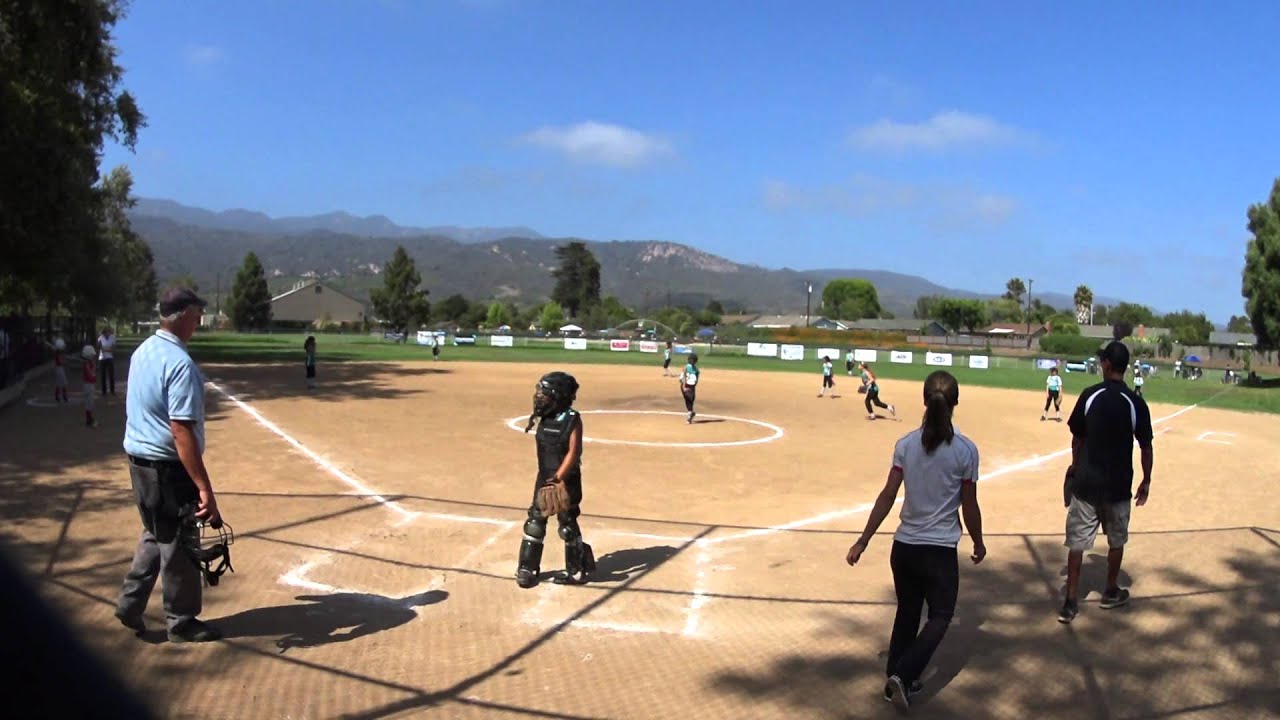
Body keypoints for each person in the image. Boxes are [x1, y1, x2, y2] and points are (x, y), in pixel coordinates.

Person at [846, 370, 985, 711]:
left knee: (908, 612)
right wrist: (978, 542)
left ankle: (895, 678)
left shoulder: (906, 445)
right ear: (955, 403)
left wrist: (863, 540)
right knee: (940, 615)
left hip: (904, 547)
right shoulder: (966, 451)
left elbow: (887, 495)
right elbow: (969, 504)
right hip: (938, 551)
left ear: (924, 400)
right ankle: (903, 675)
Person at [116, 287, 224, 643]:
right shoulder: (180, 365)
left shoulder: (144, 350)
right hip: (167, 469)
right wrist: (204, 487)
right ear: (182, 317)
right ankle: (181, 622)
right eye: (196, 315)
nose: (199, 321)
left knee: (155, 531)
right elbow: (181, 431)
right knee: (179, 543)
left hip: (139, 464)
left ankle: (131, 604)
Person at [1058, 341, 1153, 624]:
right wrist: (1146, 480)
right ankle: (1110, 591)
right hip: (1118, 487)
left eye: (1103, 361)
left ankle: (1070, 601)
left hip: (1086, 485)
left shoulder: (1090, 395)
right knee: (1116, 541)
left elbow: (1078, 437)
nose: (1101, 364)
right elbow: (1145, 446)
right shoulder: (1135, 403)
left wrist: (1075, 466)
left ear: (1108, 365)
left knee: (1077, 543)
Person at [515, 371, 595, 588]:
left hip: (565, 480)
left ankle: (577, 569)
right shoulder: (545, 415)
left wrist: (558, 477)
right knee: (535, 522)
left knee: (567, 524)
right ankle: (527, 568)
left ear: (558, 395)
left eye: (545, 392)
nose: (539, 396)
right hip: (544, 477)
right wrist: (548, 479)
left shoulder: (571, 419)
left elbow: (574, 452)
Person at [680, 352, 701, 423]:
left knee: (691, 400)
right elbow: (683, 377)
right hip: (684, 385)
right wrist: (684, 386)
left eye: (693, 360)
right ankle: (690, 413)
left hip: (691, 386)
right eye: (690, 359)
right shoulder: (686, 367)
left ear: (695, 361)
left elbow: (696, 380)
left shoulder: (697, 370)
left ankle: (690, 412)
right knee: (687, 399)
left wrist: (692, 388)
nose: (691, 361)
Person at [97, 326, 117, 396]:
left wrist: (106, 349)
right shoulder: (100, 338)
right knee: (103, 375)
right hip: (102, 358)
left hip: (110, 358)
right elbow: (101, 348)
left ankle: (112, 390)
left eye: (108, 332)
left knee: (111, 375)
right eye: (106, 333)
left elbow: (113, 349)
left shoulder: (112, 338)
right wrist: (108, 349)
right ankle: (104, 391)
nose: (107, 334)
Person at [47, 337, 68, 404]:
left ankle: (58, 397)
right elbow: (60, 362)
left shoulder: (58, 352)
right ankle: (63, 397)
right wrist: (65, 362)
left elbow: (52, 347)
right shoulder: (58, 353)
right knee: (62, 383)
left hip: (58, 368)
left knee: (60, 383)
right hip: (59, 369)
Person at [81, 345, 97, 427]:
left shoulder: (88, 362)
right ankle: (89, 420)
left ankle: (89, 419)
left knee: (90, 402)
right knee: (89, 402)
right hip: (88, 384)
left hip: (90, 384)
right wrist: (93, 367)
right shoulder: (87, 363)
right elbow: (91, 374)